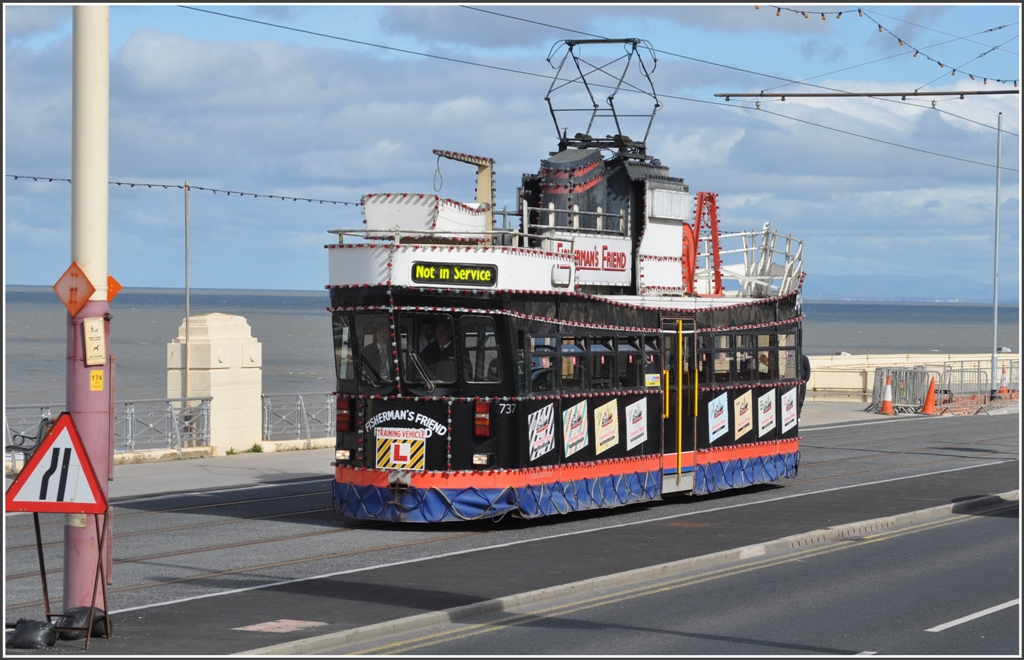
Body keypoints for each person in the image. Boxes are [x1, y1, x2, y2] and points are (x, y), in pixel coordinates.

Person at [798, 353, 811, 421]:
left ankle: (798, 415)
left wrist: (805, 380)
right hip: (794, 382)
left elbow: (808, 369)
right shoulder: (792, 358)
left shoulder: (804, 358)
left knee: (800, 400)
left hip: (802, 382)